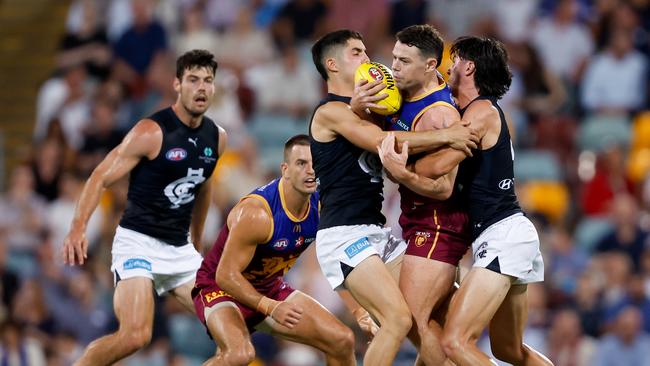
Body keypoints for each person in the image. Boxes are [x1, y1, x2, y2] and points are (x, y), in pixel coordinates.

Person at [309, 29, 478, 366]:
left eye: (366, 50)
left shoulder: (369, 108)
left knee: (431, 321)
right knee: (399, 320)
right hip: (344, 234)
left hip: (375, 232)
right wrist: (448, 134)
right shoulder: (329, 112)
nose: (368, 59)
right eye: (357, 52)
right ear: (333, 64)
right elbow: (384, 142)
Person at [61, 49, 226, 366]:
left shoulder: (217, 138)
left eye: (208, 80)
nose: (202, 87)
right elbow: (100, 176)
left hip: (179, 249)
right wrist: (78, 228)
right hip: (138, 241)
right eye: (193, 79)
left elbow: (204, 187)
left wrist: (197, 241)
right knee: (136, 335)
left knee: (234, 333)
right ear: (177, 84)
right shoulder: (151, 131)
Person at [435, 36, 552, 366]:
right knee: (508, 351)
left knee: (455, 342)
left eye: (453, 60)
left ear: (468, 66)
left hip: (502, 235)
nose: (447, 66)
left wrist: (395, 150)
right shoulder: (480, 111)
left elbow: (441, 167)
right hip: (507, 234)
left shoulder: (480, 112)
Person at [193, 135, 358, 366]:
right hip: (220, 288)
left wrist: (359, 311)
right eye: (301, 163)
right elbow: (226, 275)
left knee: (342, 340)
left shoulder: (322, 207)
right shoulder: (257, 213)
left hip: (267, 286)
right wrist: (270, 307)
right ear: (285, 169)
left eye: (315, 164)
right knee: (240, 354)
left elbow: (336, 260)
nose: (310, 171)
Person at [378, 24, 471, 365]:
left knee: (412, 320)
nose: (395, 67)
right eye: (394, 58)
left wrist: (399, 171)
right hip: (418, 219)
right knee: (439, 329)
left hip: (438, 223)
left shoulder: (440, 115)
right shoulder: (398, 94)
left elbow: (444, 188)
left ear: (431, 66)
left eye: (404, 61)